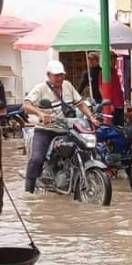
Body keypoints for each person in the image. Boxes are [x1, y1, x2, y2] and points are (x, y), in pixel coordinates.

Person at [23, 60, 99, 194]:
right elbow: (27, 105)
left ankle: (78, 177)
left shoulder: (68, 86)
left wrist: (91, 117)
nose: (60, 78)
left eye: (62, 75)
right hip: (45, 130)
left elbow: (80, 103)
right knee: (36, 159)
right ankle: (29, 190)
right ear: (49, 75)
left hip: (66, 129)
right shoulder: (41, 88)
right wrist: (40, 113)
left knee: (85, 149)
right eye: (56, 75)